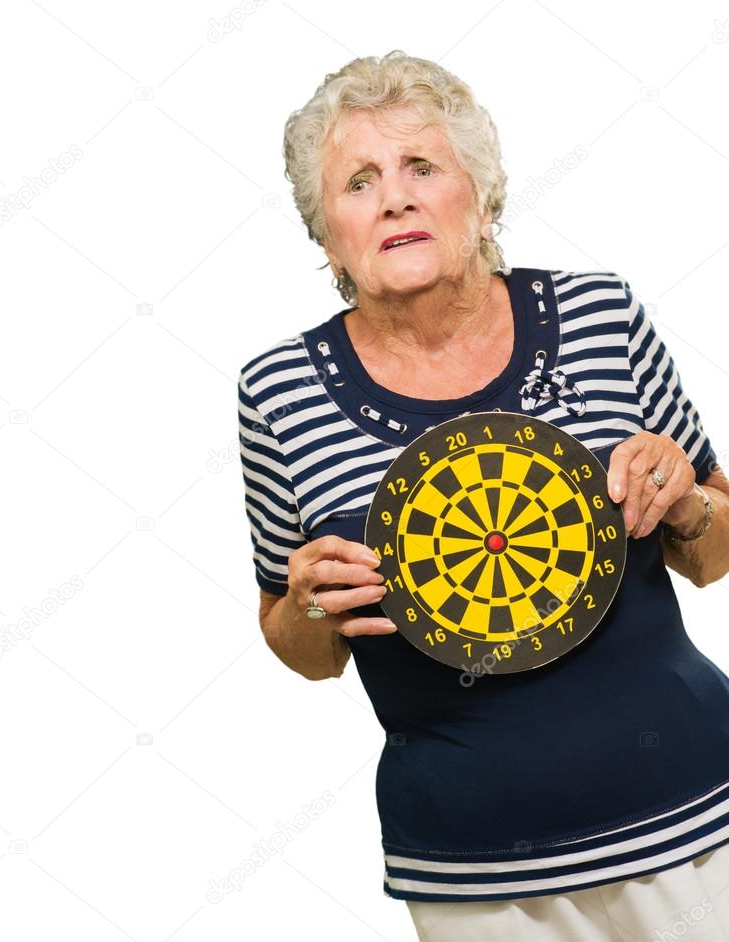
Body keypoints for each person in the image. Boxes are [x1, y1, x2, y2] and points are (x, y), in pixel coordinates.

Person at [236, 51, 729, 940]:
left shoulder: (598, 313)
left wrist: (690, 501)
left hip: (698, 824)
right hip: (472, 877)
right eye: (358, 181)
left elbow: (716, 551)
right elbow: (299, 642)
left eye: (420, 166)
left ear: (483, 192)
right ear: (324, 234)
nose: (393, 198)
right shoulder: (277, 391)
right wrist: (310, 604)